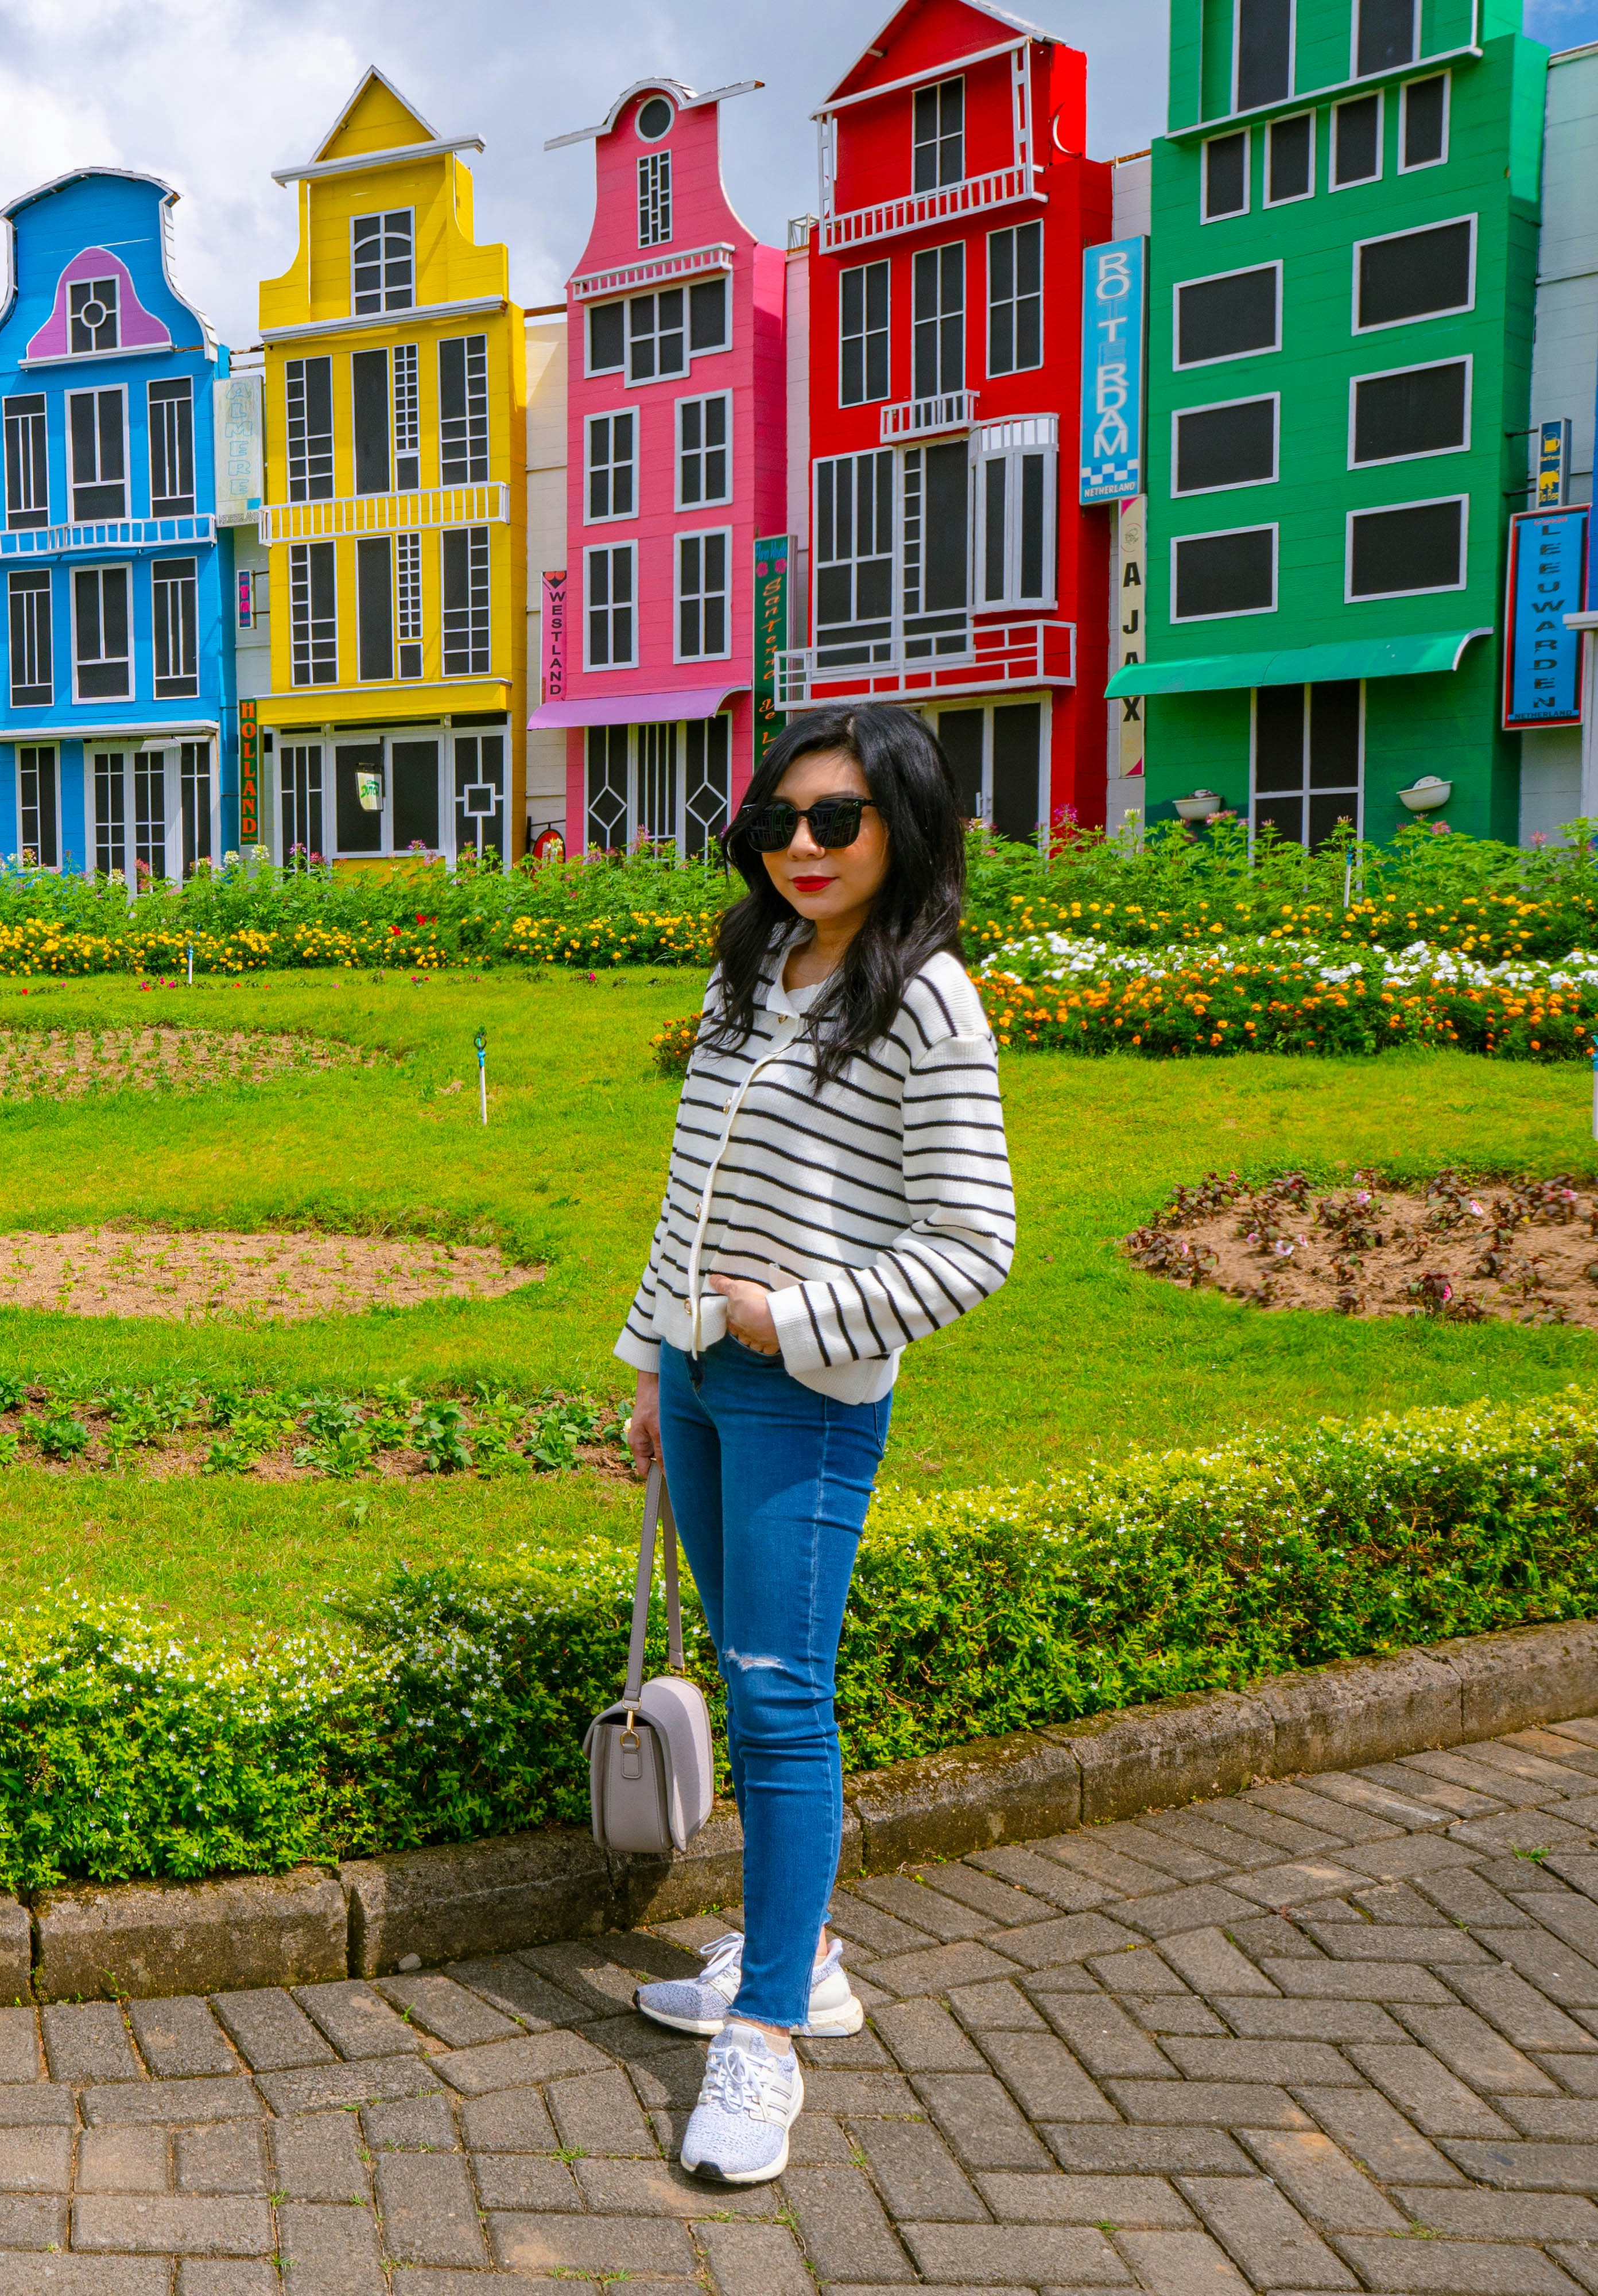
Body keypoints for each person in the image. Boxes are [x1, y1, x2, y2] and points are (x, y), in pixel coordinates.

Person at [615, 703, 1015, 2186]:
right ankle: (805, 1954)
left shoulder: (927, 1001)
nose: (799, 846)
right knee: (747, 1665)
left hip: (807, 1391)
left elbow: (977, 1244)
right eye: (777, 821)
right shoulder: (755, 964)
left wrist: (792, 1320)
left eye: (834, 821)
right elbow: (690, 1183)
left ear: (904, 828)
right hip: (705, 1377)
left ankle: (769, 2032)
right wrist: (657, 1356)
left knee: (783, 1702)